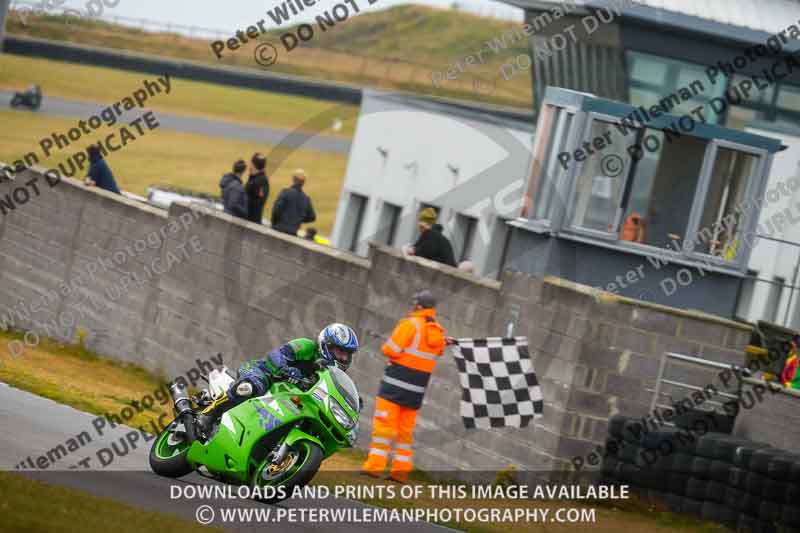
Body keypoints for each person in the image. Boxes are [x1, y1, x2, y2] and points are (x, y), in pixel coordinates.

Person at [361, 291, 454, 483]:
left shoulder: (410, 324)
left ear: (418, 306)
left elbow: (390, 350)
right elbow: (436, 351)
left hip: (394, 386)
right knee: (405, 432)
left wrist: (389, 345)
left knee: (384, 427)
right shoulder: (437, 331)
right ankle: (400, 472)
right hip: (416, 391)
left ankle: (375, 467)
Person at [197, 323, 359, 433]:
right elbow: (276, 355)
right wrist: (285, 369)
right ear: (326, 344)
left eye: (347, 354)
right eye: (340, 352)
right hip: (264, 373)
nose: (343, 358)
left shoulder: (332, 374)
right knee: (251, 387)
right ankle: (209, 413)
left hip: (285, 396)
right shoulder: (306, 346)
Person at [271, 169, 316, 235]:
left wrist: (274, 223)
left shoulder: (285, 192)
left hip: (279, 229)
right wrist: (299, 218)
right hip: (293, 232)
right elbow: (312, 217)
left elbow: (276, 210)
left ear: (293, 179)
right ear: (303, 182)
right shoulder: (306, 198)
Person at [245, 153, 269, 224]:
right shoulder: (258, 179)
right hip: (253, 221)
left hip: (250, 222)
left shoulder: (257, 181)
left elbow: (256, 203)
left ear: (253, 164)